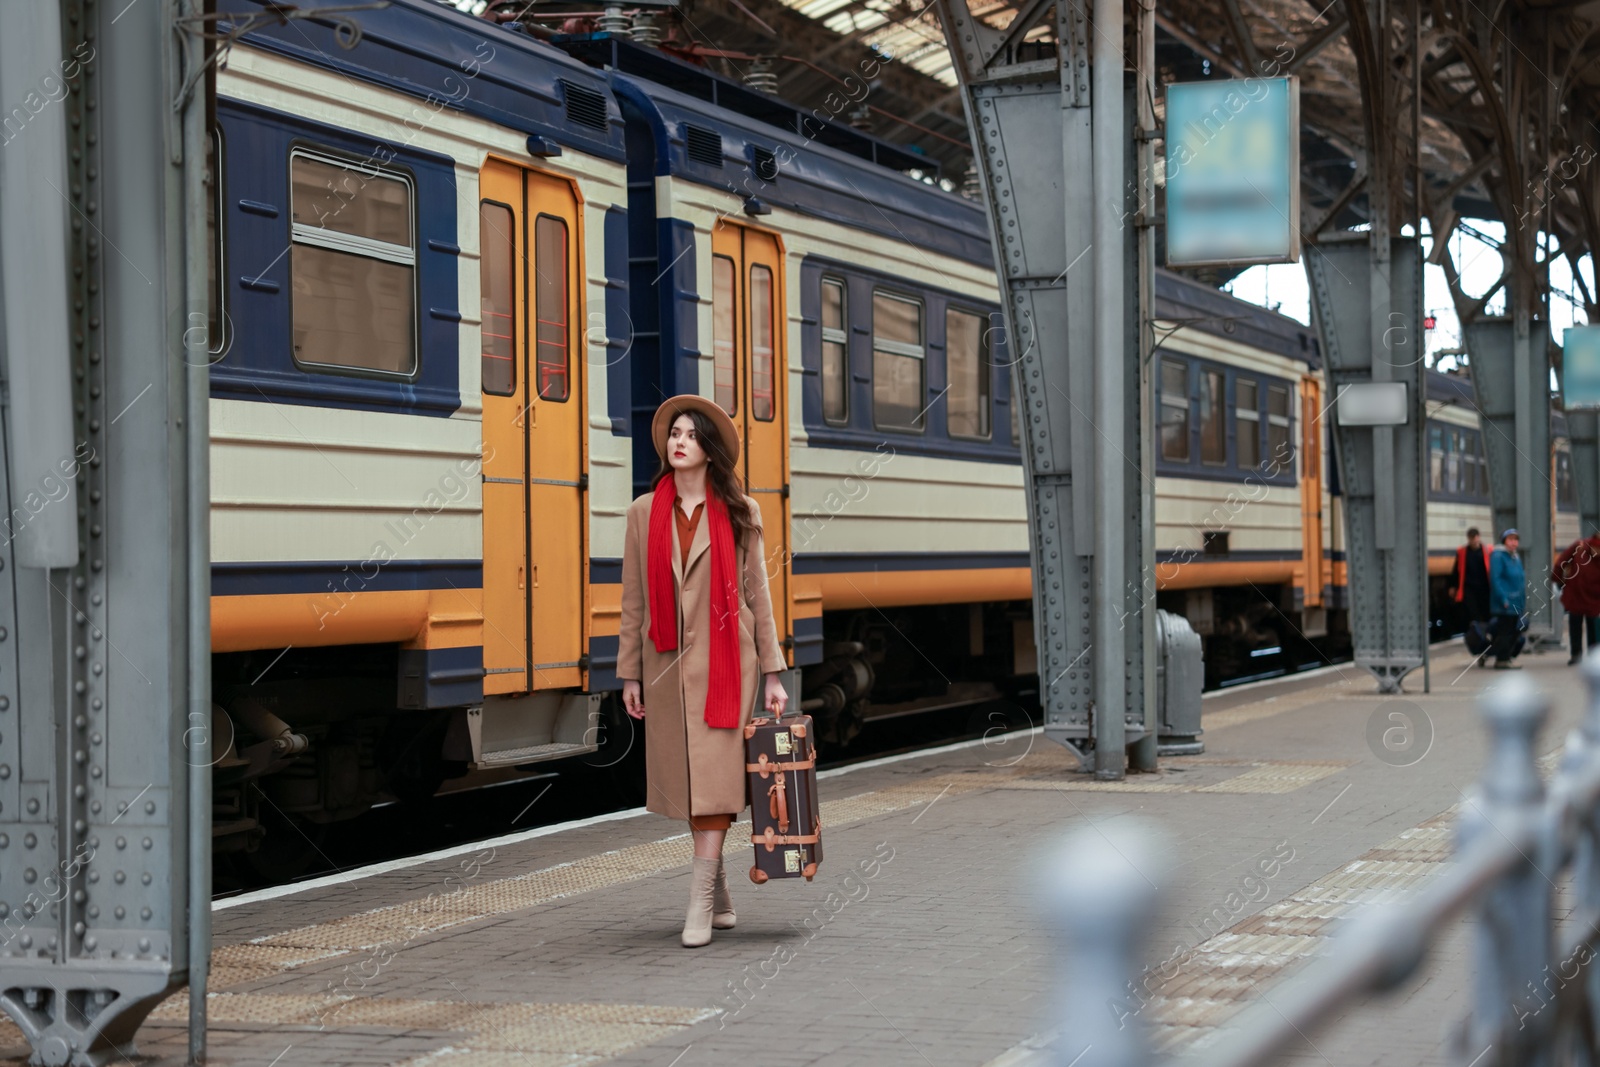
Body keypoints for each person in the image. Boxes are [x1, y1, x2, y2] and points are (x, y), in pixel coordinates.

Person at [616, 395, 789, 948]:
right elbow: (634, 600)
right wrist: (630, 674)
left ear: (710, 450)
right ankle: (719, 893)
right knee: (692, 784)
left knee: (714, 780)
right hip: (665, 666)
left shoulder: (741, 511)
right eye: (673, 433)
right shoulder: (644, 512)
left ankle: (697, 904)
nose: (678, 441)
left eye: (690, 434)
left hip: (725, 666)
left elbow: (758, 596)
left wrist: (773, 672)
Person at [1552, 530, 1600, 665]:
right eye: (1595, 549)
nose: (1596, 552)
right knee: (1575, 626)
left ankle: (1594, 658)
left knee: (1594, 628)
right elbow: (1561, 562)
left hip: (1594, 597)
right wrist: (1557, 579)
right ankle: (1576, 656)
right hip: (1575, 593)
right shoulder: (1579, 546)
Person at [1488, 529, 1526, 669]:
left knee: (1514, 631)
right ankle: (1502, 659)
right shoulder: (1498, 556)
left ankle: (1507, 657)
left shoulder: (1515, 557)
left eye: (1516, 539)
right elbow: (1495, 579)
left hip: (1516, 602)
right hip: (1505, 602)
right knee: (1505, 632)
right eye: (1510, 539)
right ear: (1504, 541)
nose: (1513, 542)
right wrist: (1503, 599)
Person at [1451, 527, 1492, 627]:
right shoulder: (1462, 552)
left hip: (1484, 587)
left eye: (1475, 538)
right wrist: (1453, 586)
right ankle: (1478, 633)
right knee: (1473, 613)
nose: (1473, 541)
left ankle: (1485, 632)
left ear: (1479, 537)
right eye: (1471, 539)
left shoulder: (1487, 551)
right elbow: (1456, 570)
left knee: (1485, 611)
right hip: (1469, 587)